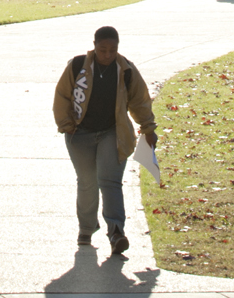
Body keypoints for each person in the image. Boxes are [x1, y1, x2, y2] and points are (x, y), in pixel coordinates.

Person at [53, 26, 157, 257]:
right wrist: (67, 126)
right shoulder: (77, 66)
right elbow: (62, 95)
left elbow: (140, 100)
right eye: (103, 50)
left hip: (112, 132)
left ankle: (116, 232)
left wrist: (148, 127)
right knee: (87, 182)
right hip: (80, 134)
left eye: (112, 50)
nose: (107, 55)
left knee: (110, 182)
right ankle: (86, 229)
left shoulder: (126, 69)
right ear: (94, 46)